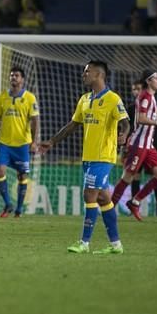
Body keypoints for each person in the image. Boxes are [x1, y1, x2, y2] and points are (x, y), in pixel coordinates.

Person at [39, 61, 129, 254]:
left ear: (98, 75)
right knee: (104, 199)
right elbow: (73, 125)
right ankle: (116, 245)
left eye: (87, 72)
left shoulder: (113, 99)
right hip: (88, 156)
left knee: (89, 194)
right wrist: (52, 141)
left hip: (104, 156)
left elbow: (125, 121)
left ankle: (84, 242)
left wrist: (124, 134)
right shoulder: (85, 99)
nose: (83, 75)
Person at [111, 70, 157, 221]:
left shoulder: (152, 98)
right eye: (156, 78)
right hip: (138, 145)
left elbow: (152, 116)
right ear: (149, 81)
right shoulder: (145, 97)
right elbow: (141, 118)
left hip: (148, 146)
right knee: (128, 177)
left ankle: (134, 202)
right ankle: (109, 208)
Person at [0, 67, 40, 218]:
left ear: (22, 79)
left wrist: (34, 141)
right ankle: (8, 204)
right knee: (0, 171)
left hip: (23, 144)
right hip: (4, 143)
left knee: (22, 176)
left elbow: (35, 120)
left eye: (16, 76)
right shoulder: (2, 97)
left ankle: (18, 209)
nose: (13, 78)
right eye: (11, 76)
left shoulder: (30, 98)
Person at [123, 79, 157, 216]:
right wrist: (124, 146)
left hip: (153, 145)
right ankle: (135, 205)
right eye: (133, 89)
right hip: (136, 146)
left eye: (138, 89)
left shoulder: (156, 103)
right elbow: (127, 127)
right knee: (135, 176)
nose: (136, 92)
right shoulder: (130, 107)